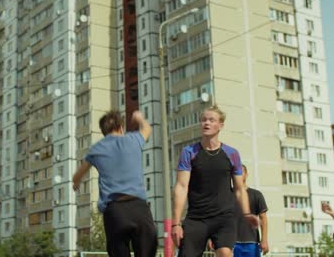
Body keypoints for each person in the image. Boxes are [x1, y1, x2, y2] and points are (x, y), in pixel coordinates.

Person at [172, 105, 258, 257]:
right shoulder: (189, 152)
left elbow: (239, 189)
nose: (206, 123)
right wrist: (176, 223)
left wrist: (246, 213)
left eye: (212, 120)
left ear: (220, 125)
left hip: (223, 217)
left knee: (225, 253)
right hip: (196, 218)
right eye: (204, 120)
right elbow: (181, 186)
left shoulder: (232, 154)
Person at [72, 110, 157, 257]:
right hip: (139, 208)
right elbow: (147, 129)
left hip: (115, 212)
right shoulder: (133, 139)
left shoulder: (96, 149)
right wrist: (139, 118)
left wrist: (77, 183)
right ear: (121, 127)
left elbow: (77, 175)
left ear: (103, 131)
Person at [233, 165, 269, 256]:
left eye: (241, 172)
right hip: (230, 243)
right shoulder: (226, 194)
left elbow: (263, 218)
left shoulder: (256, 195)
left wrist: (264, 239)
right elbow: (219, 217)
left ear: (246, 174)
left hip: (252, 243)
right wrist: (212, 238)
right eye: (236, 172)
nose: (238, 175)